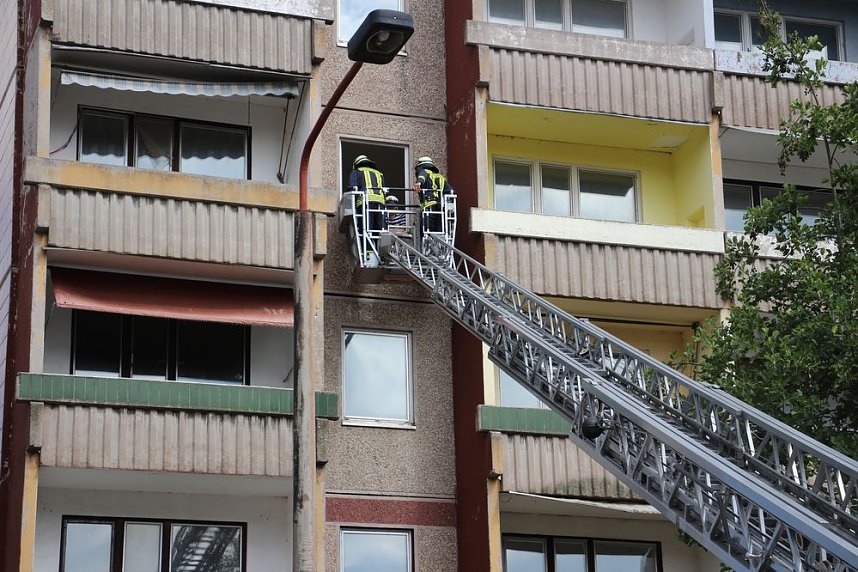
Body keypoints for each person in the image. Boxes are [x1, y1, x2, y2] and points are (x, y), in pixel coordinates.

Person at [348, 155, 387, 239]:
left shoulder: (356, 172)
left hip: (365, 203)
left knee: (365, 229)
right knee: (378, 230)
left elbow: (353, 189)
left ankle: (367, 246)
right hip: (380, 204)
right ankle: (376, 246)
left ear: (357, 164)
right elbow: (384, 191)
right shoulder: (379, 174)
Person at [412, 156, 453, 235]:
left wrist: (419, 182)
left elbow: (422, 175)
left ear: (421, 166)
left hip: (429, 208)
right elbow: (450, 192)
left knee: (425, 233)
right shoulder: (440, 177)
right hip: (440, 208)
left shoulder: (423, 171)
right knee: (439, 232)